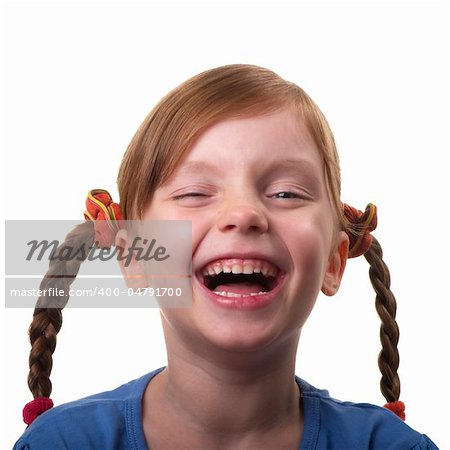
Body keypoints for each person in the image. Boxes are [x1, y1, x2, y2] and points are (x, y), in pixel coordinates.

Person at [14, 64, 438, 449]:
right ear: (134, 258)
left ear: (333, 261)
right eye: (195, 193)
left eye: (286, 193)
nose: (244, 214)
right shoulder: (62, 444)